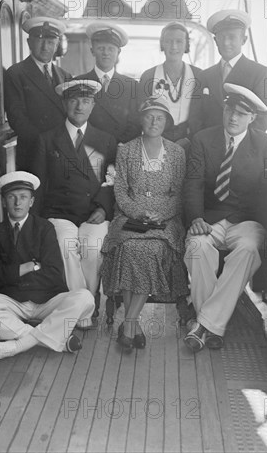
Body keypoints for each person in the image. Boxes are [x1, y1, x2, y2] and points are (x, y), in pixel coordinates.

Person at [183, 84, 267, 352]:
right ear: (223, 110)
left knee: (249, 249)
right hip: (210, 219)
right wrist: (195, 218)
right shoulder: (204, 140)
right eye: (229, 110)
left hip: (246, 222)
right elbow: (192, 184)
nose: (233, 118)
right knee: (196, 246)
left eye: (241, 113)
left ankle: (202, 325)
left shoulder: (262, 143)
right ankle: (214, 325)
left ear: (252, 118)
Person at [0, 171, 95, 361]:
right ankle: (54, 337)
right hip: (13, 302)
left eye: (23, 197)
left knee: (85, 298)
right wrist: (27, 267)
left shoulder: (45, 228)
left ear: (32, 201)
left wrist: (12, 275)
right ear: (4, 202)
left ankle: (16, 345)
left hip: (46, 301)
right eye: (11, 197)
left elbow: (53, 273)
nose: (17, 203)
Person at [100, 96, 188, 351]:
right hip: (129, 218)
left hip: (165, 221)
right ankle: (132, 325)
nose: (154, 121)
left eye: (159, 117)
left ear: (166, 122)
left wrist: (160, 214)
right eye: (149, 116)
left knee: (148, 251)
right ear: (141, 119)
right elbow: (120, 191)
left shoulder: (176, 152)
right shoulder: (126, 150)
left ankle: (128, 323)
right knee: (129, 249)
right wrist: (139, 213)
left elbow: (179, 194)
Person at [32, 80, 116, 321]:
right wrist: (36, 227)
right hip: (59, 213)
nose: (80, 106)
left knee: (92, 248)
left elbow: (112, 180)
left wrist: (103, 207)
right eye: (74, 100)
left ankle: (84, 305)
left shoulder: (105, 140)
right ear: (63, 103)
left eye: (86, 101)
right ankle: (82, 310)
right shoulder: (47, 140)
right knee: (66, 246)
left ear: (93, 105)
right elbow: (38, 185)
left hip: (93, 213)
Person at [4, 17, 72, 171]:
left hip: (63, 152)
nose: (45, 47)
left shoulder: (65, 75)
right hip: (33, 151)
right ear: (29, 43)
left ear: (56, 45)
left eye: (50, 42)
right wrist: (46, 143)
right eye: (40, 41)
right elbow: (17, 119)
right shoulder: (16, 73)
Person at [199, 9, 267, 132]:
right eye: (222, 37)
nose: (226, 43)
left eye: (232, 37)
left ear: (244, 40)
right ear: (215, 41)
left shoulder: (260, 73)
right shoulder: (204, 76)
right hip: (209, 146)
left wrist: (238, 144)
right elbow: (196, 117)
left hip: (243, 147)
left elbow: (263, 119)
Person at [138, 22, 203, 147]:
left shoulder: (199, 75)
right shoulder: (148, 76)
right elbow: (141, 114)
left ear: (186, 45)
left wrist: (189, 140)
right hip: (156, 140)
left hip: (190, 140)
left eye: (179, 41)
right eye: (168, 41)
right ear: (162, 44)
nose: (174, 47)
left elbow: (202, 114)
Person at [75, 21, 141, 144]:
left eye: (111, 49)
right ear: (92, 51)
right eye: (101, 48)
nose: (106, 53)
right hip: (88, 150)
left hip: (120, 150)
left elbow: (135, 124)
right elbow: (75, 122)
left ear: (118, 53)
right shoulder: (79, 83)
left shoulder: (131, 86)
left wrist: (117, 147)